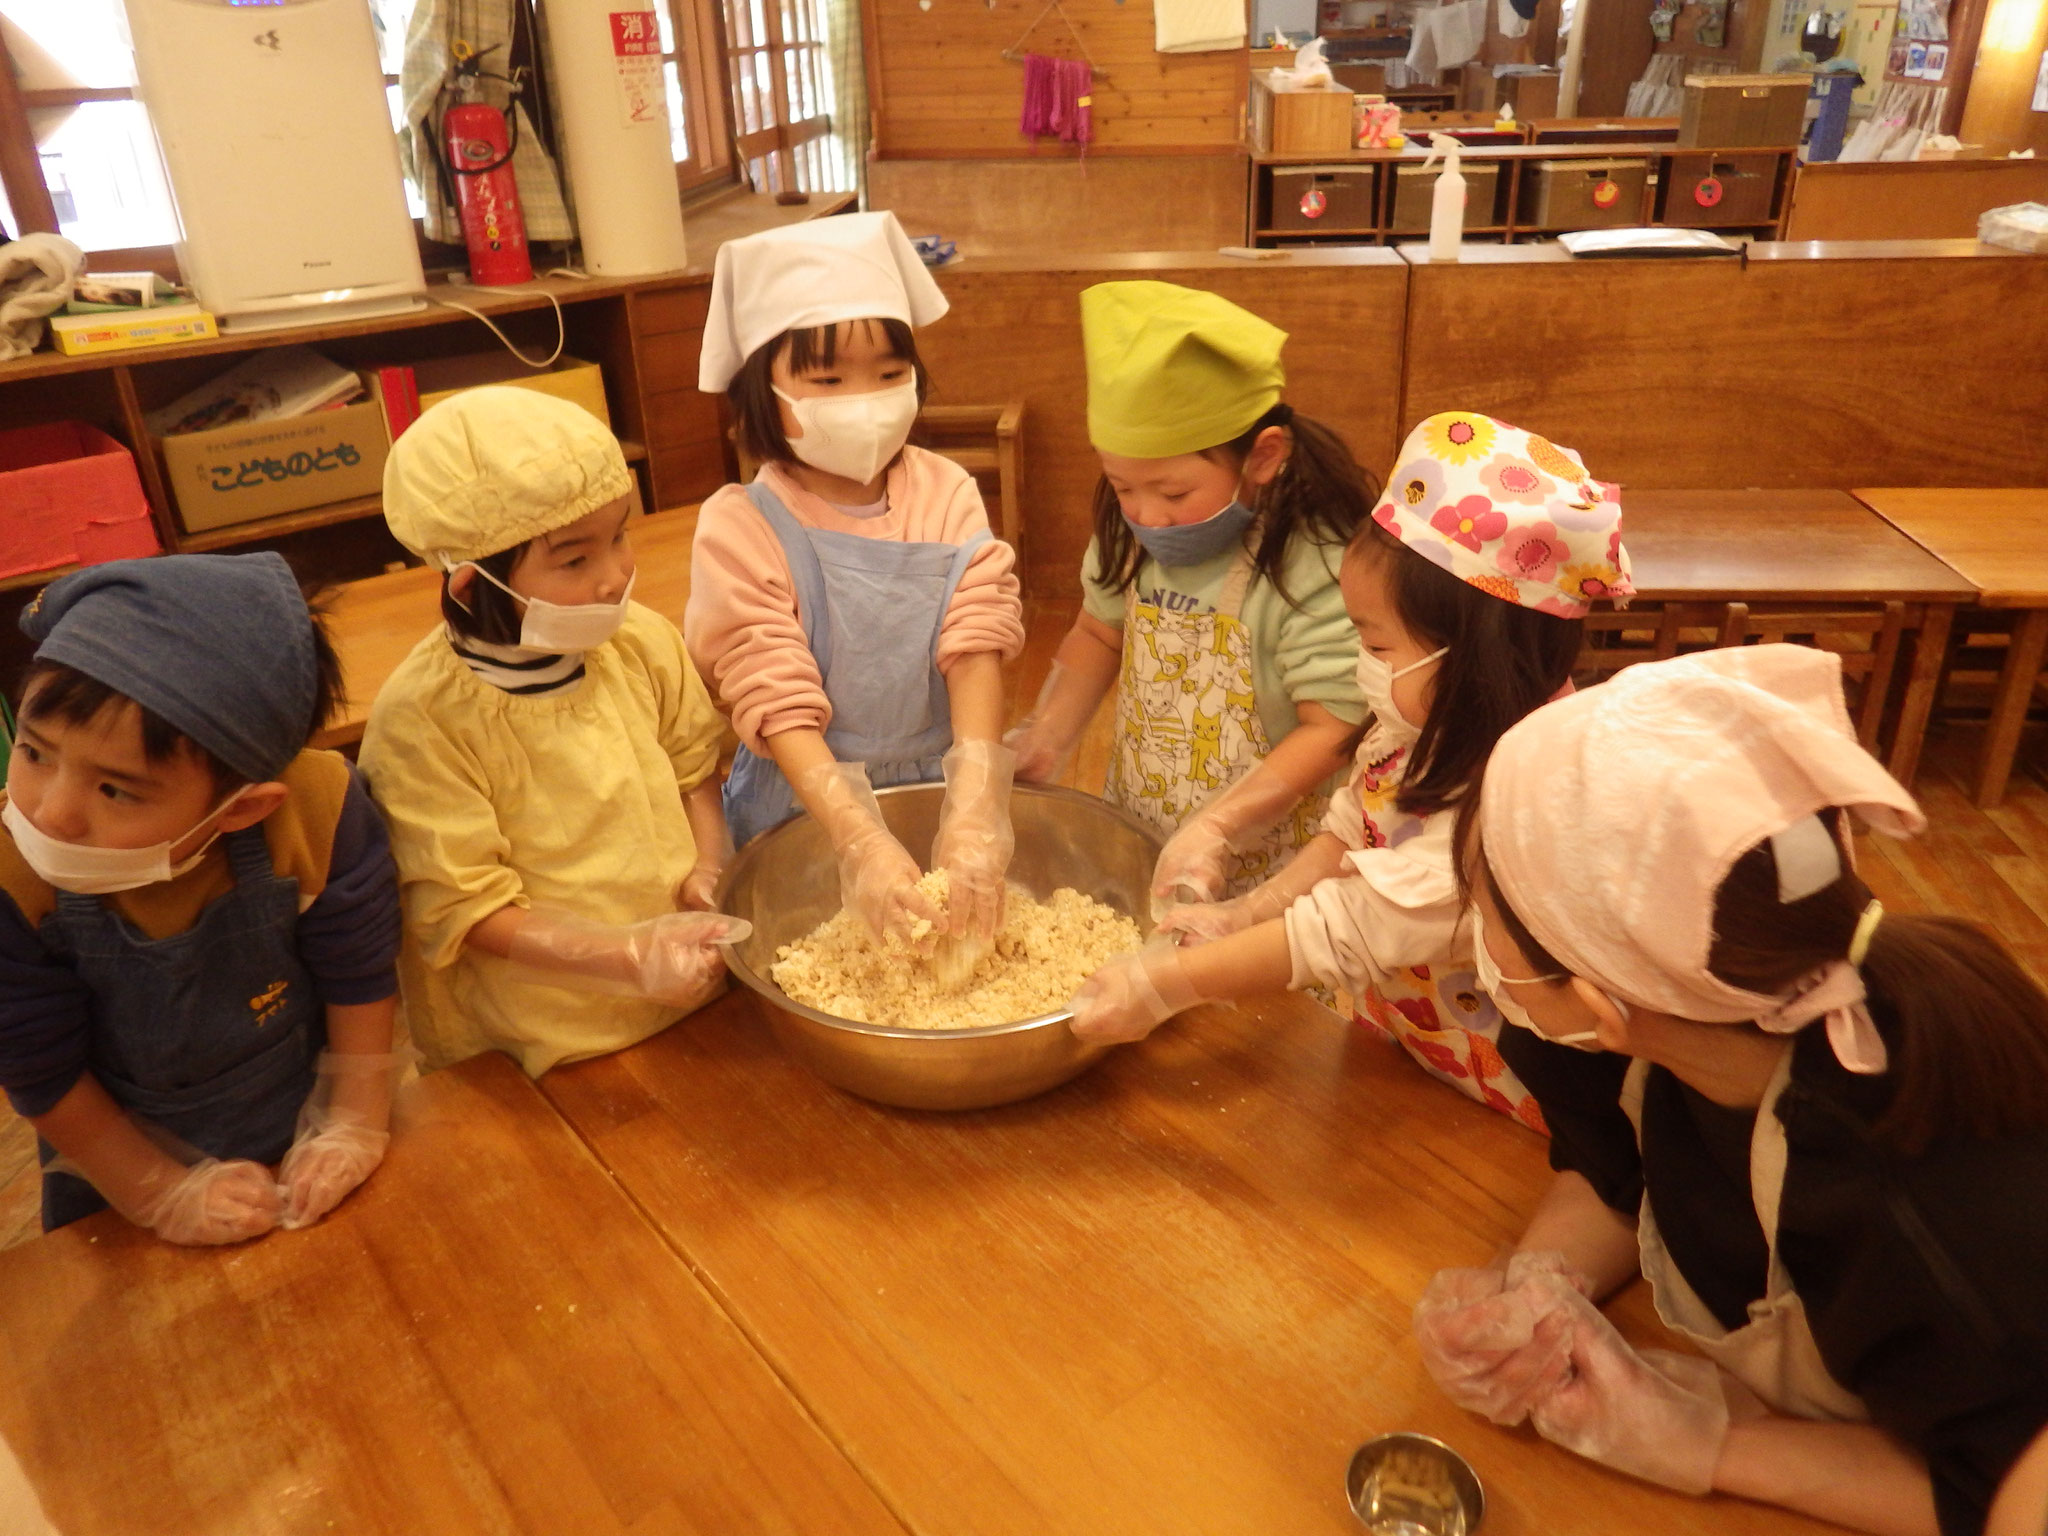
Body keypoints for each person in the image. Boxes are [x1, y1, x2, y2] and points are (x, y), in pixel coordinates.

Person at [1422, 644, 2048, 1536]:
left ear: (1600, 999)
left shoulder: (1910, 1210)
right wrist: (1541, 1285)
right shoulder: (1693, 1007)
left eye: (1486, 918)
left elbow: (1993, 1488)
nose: (1478, 948)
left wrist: (1710, 1447)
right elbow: (1615, 1167)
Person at [1068, 413, 1632, 1133]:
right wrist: (1250, 911)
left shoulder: (1519, 797)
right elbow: (1349, 835)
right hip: (1402, 1051)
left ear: (1474, 654)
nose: (1362, 664)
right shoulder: (1420, 719)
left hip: (1503, 1093)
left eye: (1377, 643)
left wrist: (1159, 986)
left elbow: (1351, 927)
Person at [0, 554, 402, 1243]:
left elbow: (358, 971)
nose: (50, 813)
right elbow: (39, 1066)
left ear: (242, 810)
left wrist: (354, 1121)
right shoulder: (14, 871)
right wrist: (159, 1195)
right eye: (35, 754)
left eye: (115, 790)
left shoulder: (316, 811)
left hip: (302, 1103)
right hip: (110, 1155)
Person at [359, 388, 741, 1077]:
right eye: (574, 560)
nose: (616, 574)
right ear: (471, 588)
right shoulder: (423, 723)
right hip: (550, 1035)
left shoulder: (642, 644)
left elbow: (694, 768)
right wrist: (625, 959)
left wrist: (710, 863)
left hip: (692, 987)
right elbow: (466, 908)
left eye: (619, 535)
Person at [685, 210, 1024, 951]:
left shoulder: (947, 491)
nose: (864, 399)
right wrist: (857, 838)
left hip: (936, 781)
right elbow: (775, 698)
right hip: (803, 803)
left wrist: (972, 803)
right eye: (828, 378)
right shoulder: (744, 524)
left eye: (889, 374)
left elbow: (975, 643)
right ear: (761, 389)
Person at [1004, 280, 1369, 919]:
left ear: (1262, 457)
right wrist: (1047, 732)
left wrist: (1219, 827)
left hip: (1268, 856)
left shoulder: (1313, 562)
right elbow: (1098, 633)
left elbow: (1332, 728)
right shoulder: (1129, 535)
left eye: (1173, 494)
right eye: (1122, 486)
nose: (1147, 516)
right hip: (1145, 816)